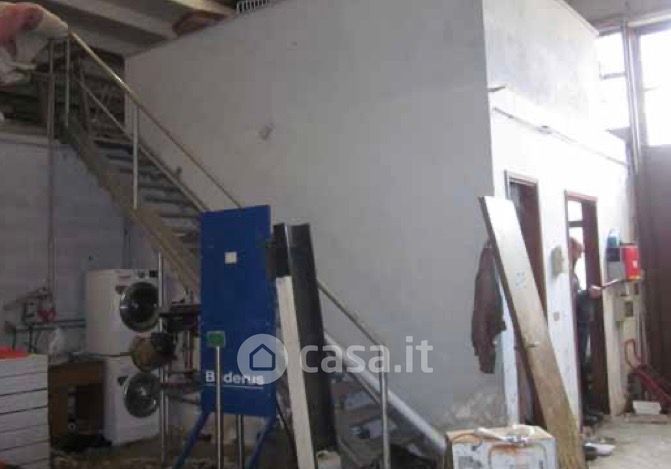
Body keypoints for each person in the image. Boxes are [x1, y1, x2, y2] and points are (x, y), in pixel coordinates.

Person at [568, 237, 603, 426]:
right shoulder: (566, 272)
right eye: (578, 252)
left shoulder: (572, 271)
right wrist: (586, 294)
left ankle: (586, 407)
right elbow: (569, 298)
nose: (580, 257)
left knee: (582, 366)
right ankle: (582, 409)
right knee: (579, 367)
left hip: (581, 325)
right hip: (574, 326)